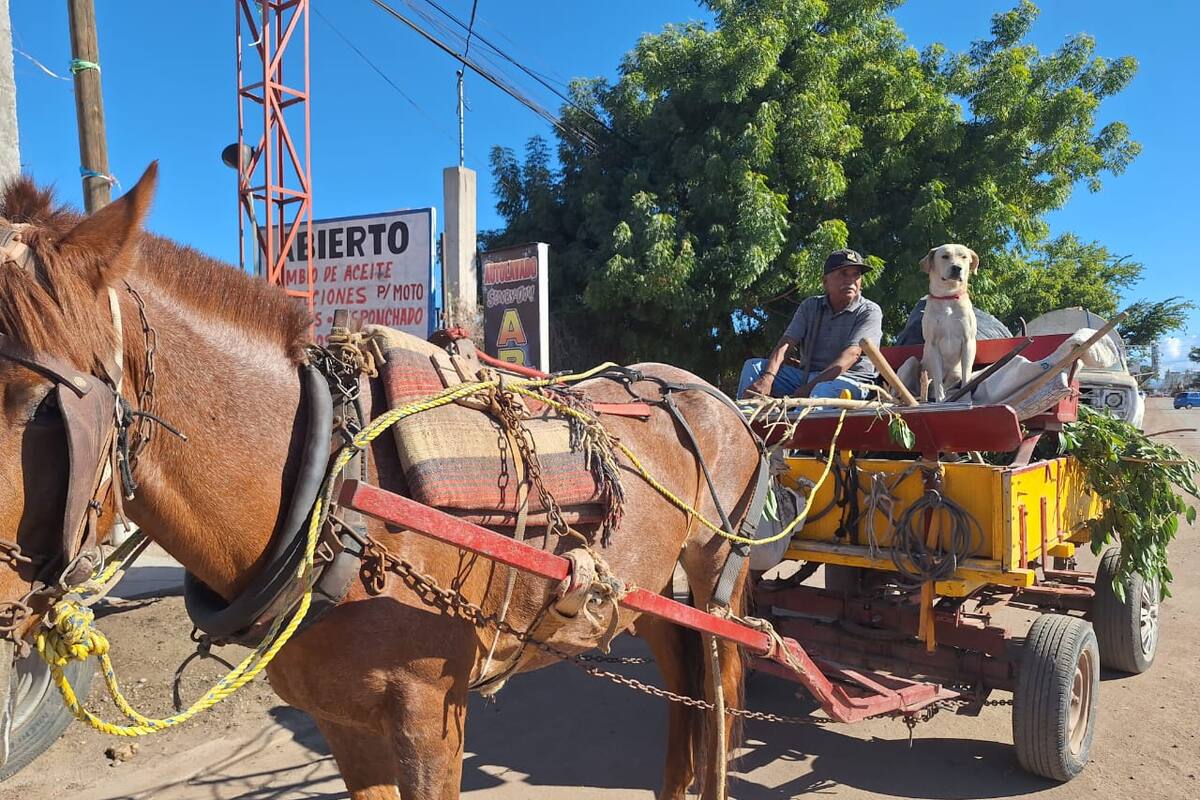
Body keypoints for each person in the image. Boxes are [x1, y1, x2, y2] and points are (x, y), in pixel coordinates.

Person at [739, 249, 883, 400]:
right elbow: (787, 343)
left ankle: (794, 422)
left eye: (856, 275)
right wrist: (767, 378)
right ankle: (747, 419)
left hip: (852, 381)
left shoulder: (869, 311)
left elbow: (852, 354)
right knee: (753, 367)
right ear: (825, 281)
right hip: (807, 378)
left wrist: (810, 387)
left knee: (822, 391)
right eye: (843, 273)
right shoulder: (810, 306)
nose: (851, 280)